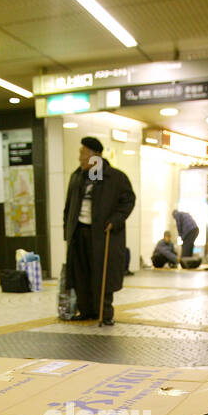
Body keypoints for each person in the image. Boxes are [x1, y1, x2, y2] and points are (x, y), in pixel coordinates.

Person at [63, 136, 135, 326]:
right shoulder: (77, 176)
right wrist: (67, 230)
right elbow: (68, 206)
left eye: (83, 153)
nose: (80, 157)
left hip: (102, 234)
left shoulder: (115, 178)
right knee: (81, 272)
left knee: (101, 273)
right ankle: (86, 310)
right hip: (79, 233)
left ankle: (104, 313)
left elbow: (128, 201)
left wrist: (116, 220)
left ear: (95, 156)